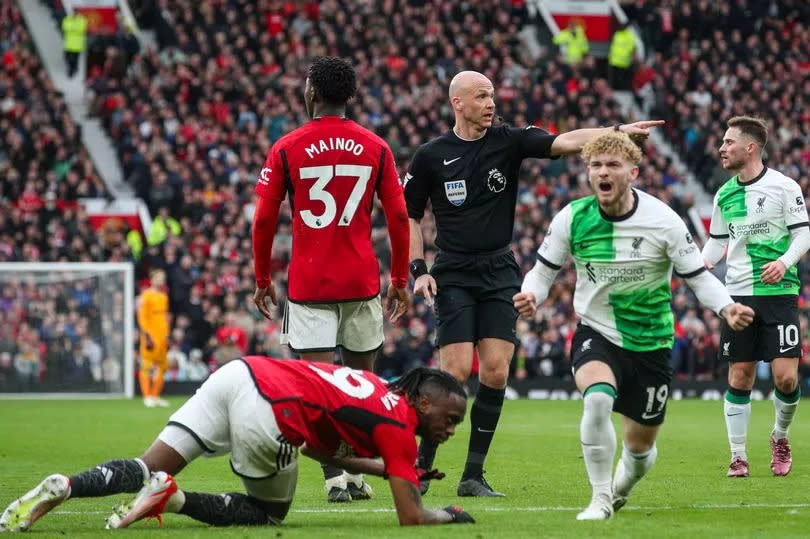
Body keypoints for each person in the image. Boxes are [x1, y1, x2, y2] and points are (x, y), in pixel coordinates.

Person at [404, 69, 663, 497]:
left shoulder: (508, 140)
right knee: (454, 371)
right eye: (482, 96)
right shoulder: (432, 155)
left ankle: (472, 476)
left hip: (499, 269)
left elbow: (564, 141)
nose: (491, 103)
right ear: (458, 103)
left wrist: (615, 132)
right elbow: (409, 215)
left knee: (496, 369)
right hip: (452, 271)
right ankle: (422, 466)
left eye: (492, 96)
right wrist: (419, 269)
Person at [513, 132, 754, 519]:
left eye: (612, 165)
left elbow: (698, 277)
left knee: (639, 451)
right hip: (597, 331)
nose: (602, 172)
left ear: (633, 172)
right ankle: (600, 498)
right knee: (596, 399)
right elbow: (542, 274)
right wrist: (531, 295)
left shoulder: (663, 220)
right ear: (588, 172)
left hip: (652, 342)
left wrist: (726, 307)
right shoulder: (572, 218)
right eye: (595, 165)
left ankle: (622, 486)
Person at [0, 359, 474, 532]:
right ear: (423, 401)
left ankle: (68, 484)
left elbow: (321, 452)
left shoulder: (376, 389)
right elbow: (411, 517)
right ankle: (176, 497)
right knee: (269, 514)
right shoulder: (397, 425)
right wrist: (446, 515)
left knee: (144, 465)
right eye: (450, 418)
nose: (451, 429)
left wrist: (390, 471)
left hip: (240, 374)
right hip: (272, 409)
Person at [252, 56, 410, 502]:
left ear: (312, 93)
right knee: (363, 385)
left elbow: (263, 221)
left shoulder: (287, 146)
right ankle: (359, 477)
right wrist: (399, 277)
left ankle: (335, 478)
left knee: (318, 387)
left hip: (309, 288)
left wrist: (263, 278)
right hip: (362, 285)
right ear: (351, 96)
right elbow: (398, 216)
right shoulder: (376, 146)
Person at [701, 116, 810, 478]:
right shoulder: (724, 194)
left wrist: (784, 262)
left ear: (750, 147)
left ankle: (779, 436)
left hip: (778, 293)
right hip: (738, 296)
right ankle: (737, 456)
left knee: (786, 380)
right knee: (740, 375)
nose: (721, 148)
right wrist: (697, 265)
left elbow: (803, 236)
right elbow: (717, 243)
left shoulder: (784, 186)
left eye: (728, 142)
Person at [137, 269, 171, 408]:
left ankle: (155, 396)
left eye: (162, 278)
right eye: (158, 277)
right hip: (150, 336)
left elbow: (164, 318)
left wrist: (167, 334)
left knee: (162, 367)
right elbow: (142, 317)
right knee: (147, 365)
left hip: (162, 336)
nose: (161, 280)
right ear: (152, 279)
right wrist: (146, 333)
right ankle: (147, 396)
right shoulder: (146, 295)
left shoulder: (164, 297)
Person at [608, 21, 636, 91]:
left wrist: (632, 58)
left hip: (623, 62)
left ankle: (621, 89)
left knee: (621, 79)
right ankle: (615, 89)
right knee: (614, 79)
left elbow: (633, 48)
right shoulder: (617, 34)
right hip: (614, 61)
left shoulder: (629, 36)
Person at [61, 10, 87, 78]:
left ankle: (72, 71)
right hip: (68, 44)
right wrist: (74, 28)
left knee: (75, 59)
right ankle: (73, 69)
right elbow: (64, 27)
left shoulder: (81, 19)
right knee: (66, 58)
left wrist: (71, 28)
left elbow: (81, 29)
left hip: (77, 45)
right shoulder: (67, 19)